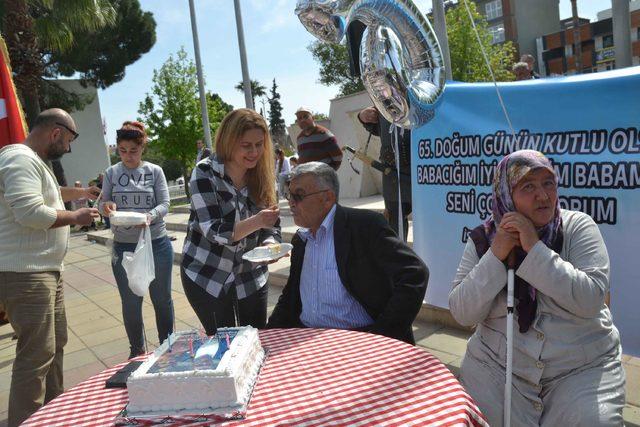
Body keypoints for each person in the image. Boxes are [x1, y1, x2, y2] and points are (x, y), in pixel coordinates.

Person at [449, 150, 625, 426]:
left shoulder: (578, 227)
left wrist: (534, 248)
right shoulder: (484, 239)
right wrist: (496, 255)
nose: (543, 196)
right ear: (505, 194)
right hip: (497, 367)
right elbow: (462, 311)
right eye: (528, 186)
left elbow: (591, 299)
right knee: (472, 419)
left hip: (579, 368)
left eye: (548, 183)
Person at [0, 108, 100, 427]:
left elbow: (52, 196)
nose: (68, 149)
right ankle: (26, 421)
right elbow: (30, 213)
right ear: (56, 132)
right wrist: (76, 217)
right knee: (35, 356)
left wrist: (83, 194)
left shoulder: (34, 162)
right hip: (27, 275)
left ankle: (53, 412)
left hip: (44, 271)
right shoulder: (19, 158)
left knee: (54, 347)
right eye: (68, 140)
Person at [267, 162, 428, 344]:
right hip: (306, 340)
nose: (291, 203)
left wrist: (382, 336)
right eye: (289, 195)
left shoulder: (365, 226)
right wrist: (265, 336)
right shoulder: (302, 240)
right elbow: (291, 295)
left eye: (298, 196)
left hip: (357, 341)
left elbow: (415, 274)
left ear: (327, 198)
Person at [181, 108, 281, 334]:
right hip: (207, 273)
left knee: (255, 340)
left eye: (259, 144)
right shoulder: (205, 172)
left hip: (250, 275)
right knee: (224, 346)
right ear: (228, 141)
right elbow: (213, 231)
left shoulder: (264, 173)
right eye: (246, 145)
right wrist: (257, 222)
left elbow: (272, 226)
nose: (254, 152)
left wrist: (269, 246)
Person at [100, 121, 175, 359]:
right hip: (124, 247)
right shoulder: (112, 173)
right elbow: (103, 203)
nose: (128, 156)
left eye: (133, 150)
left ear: (142, 148)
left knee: (162, 298)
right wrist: (107, 207)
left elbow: (165, 203)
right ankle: (137, 350)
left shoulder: (154, 171)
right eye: (122, 151)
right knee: (131, 301)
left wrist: (150, 216)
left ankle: (167, 345)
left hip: (156, 244)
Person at [357, 105, 412, 241]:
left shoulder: (423, 93)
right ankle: (400, 258)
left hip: (425, 168)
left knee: (431, 217)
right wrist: (363, 116)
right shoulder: (383, 100)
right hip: (392, 173)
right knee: (394, 220)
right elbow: (377, 128)